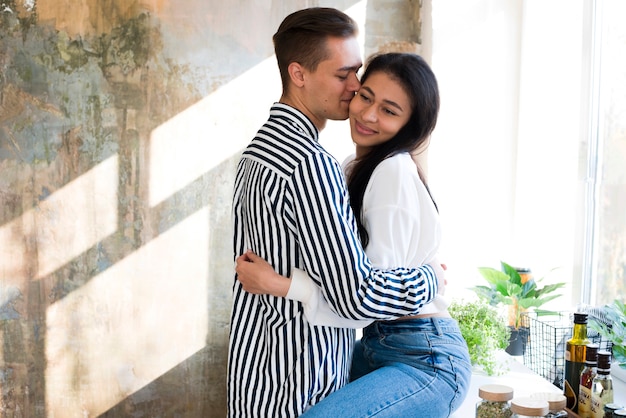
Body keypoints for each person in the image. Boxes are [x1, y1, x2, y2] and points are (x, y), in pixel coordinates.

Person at [227, 7, 445, 418]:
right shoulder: (312, 163)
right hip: (294, 375)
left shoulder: (257, 150)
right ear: (299, 74)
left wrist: (280, 284)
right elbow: (357, 298)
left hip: (255, 367)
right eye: (342, 74)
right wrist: (429, 279)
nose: (354, 87)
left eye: (356, 72)